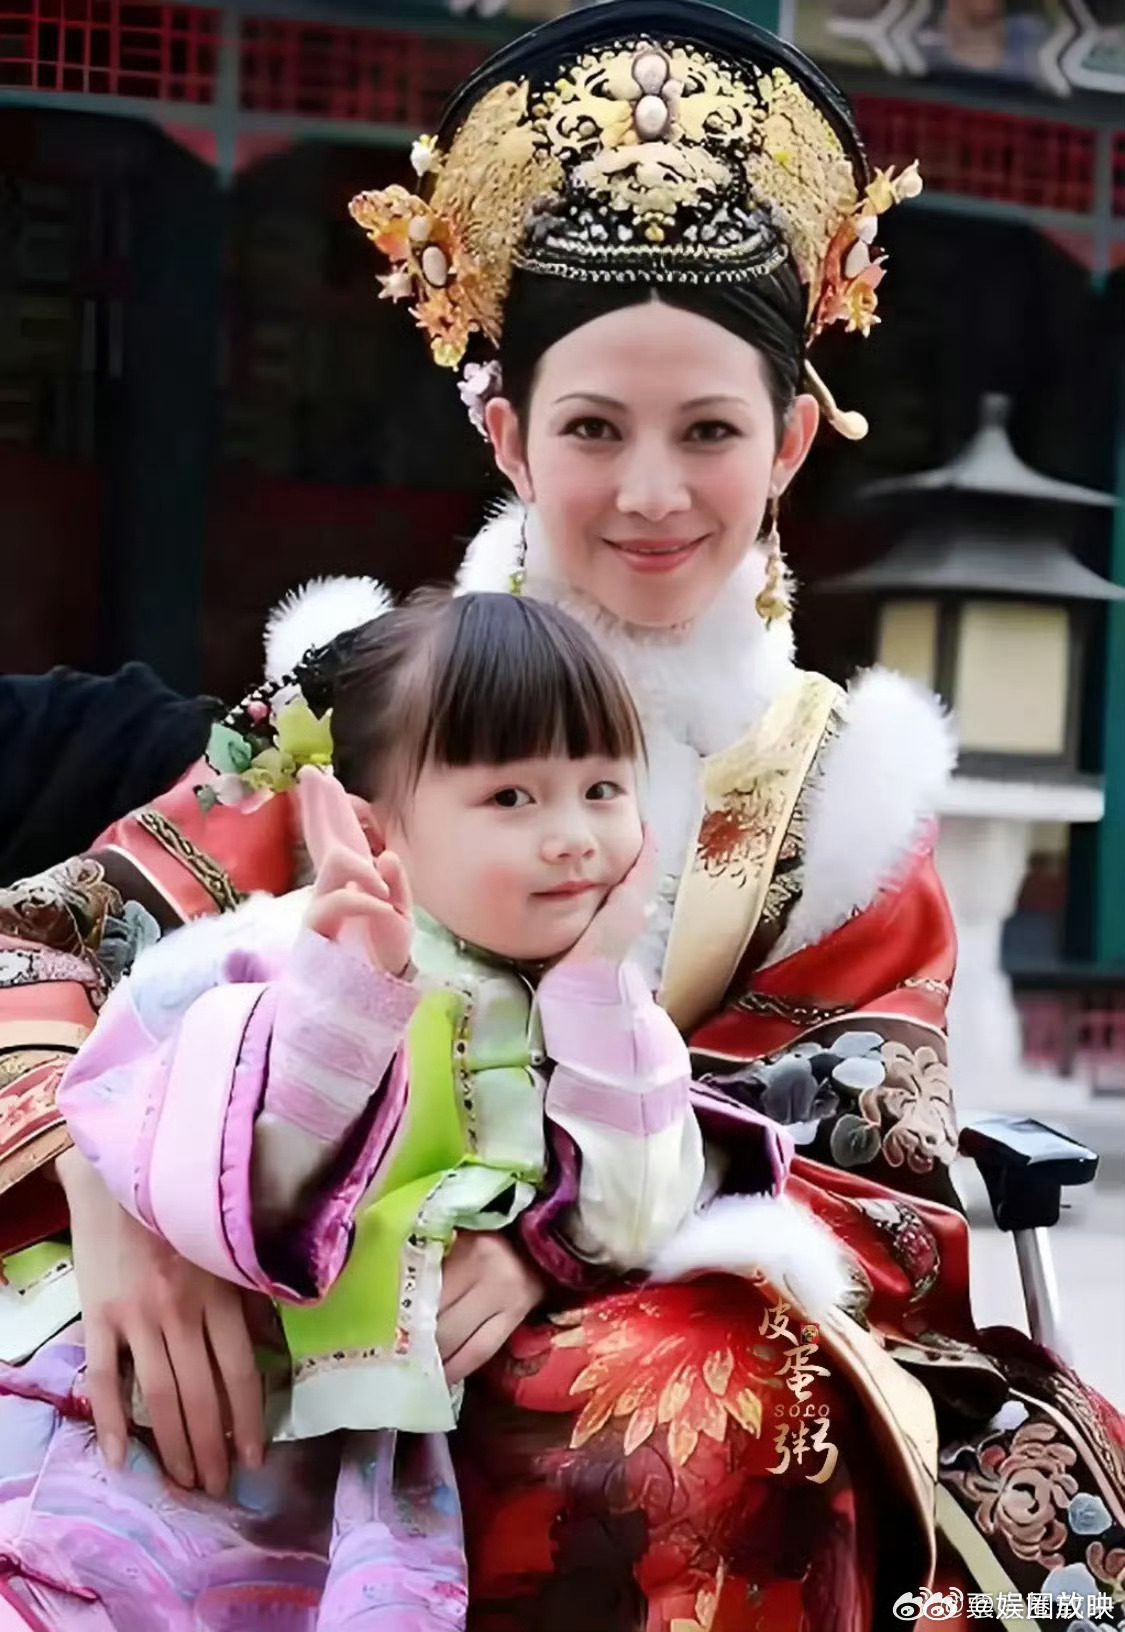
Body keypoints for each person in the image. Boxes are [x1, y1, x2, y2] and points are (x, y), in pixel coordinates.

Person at [1, 2, 1123, 1629]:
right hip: (284, 1270)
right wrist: (118, 1190)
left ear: (791, 439)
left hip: (625, 1300)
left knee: (684, 1425)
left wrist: (550, 1238)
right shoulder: (368, 699)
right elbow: (58, 945)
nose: (651, 493)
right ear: (508, 433)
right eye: (593, 428)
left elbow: (877, 1186)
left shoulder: (836, 802)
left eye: (710, 431)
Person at [38, 590, 722, 1628]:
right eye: (511, 798)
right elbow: (237, 1185)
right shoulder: (282, 950)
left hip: (375, 1438)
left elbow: (630, 1216)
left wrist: (597, 990)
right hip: (188, 1394)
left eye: (601, 789)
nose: (575, 839)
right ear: (368, 826)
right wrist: (348, 1005)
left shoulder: (601, 997)